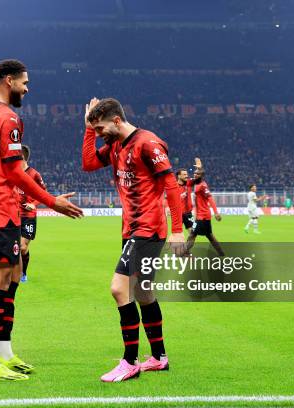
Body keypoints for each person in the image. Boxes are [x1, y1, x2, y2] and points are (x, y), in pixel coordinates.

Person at [0, 59, 83, 382]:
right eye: (24, 83)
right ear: (9, 80)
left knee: (13, 275)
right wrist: (51, 200)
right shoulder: (8, 118)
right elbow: (16, 170)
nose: (27, 88)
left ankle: (4, 353)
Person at [82, 97, 184, 382]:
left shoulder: (148, 144)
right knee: (143, 292)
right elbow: (89, 163)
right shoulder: (115, 145)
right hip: (131, 229)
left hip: (148, 229)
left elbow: (171, 187)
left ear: (116, 120)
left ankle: (130, 362)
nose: (99, 135)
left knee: (119, 289)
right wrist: (89, 129)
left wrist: (177, 229)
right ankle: (159, 357)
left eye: (101, 129)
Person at [17, 145, 46, 283]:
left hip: (28, 217)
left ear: (21, 157)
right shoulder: (13, 173)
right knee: (14, 247)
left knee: (23, 247)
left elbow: (43, 193)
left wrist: (33, 204)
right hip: (14, 215)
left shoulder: (34, 174)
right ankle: (15, 273)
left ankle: (23, 273)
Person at [185, 167, 225, 256]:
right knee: (209, 235)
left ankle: (185, 251)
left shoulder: (203, 186)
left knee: (193, 234)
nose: (195, 174)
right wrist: (199, 166)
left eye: (198, 174)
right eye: (195, 173)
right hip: (200, 215)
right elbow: (188, 181)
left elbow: (210, 198)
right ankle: (221, 253)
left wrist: (216, 212)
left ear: (202, 176)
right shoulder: (196, 183)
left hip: (203, 216)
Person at [175, 168, 194, 233]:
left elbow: (198, 178)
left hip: (189, 214)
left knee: (193, 231)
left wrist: (199, 168)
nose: (186, 176)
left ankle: (188, 243)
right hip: (178, 214)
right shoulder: (174, 187)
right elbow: (169, 199)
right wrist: (180, 197)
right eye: (184, 174)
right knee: (177, 233)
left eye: (186, 174)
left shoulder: (189, 183)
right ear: (179, 176)